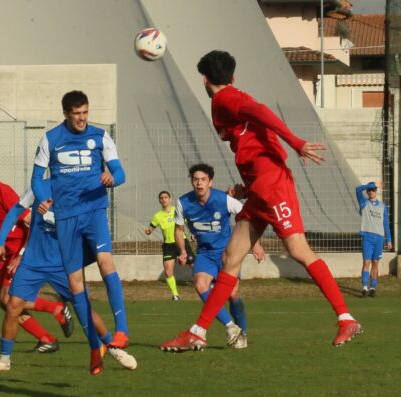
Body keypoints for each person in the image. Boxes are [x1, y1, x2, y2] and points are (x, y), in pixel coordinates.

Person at [160, 50, 362, 352]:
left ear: (205, 79)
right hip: (260, 188)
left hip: (273, 186)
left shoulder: (224, 99)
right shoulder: (229, 98)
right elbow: (254, 133)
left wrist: (295, 143)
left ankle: (346, 317)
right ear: (232, 75)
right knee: (230, 259)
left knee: (298, 249)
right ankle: (198, 332)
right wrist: (249, 186)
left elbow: (261, 111)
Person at [0, 181, 137, 373]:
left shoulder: (78, 190)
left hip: (62, 263)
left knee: (85, 309)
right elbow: (15, 212)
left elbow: (86, 225)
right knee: (12, 305)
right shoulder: (38, 187)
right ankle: (4, 360)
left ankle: (113, 349)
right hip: (33, 262)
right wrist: (3, 243)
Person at [32, 90, 129, 374]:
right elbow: (37, 179)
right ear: (66, 114)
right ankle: (93, 348)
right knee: (76, 285)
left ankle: (122, 329)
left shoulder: (100, 137)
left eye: (85, 112)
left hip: (94, 212)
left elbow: (120, 173)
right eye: (77, 114)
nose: (82, 119)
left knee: (105, 261)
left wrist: (112, 178)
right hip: (65, 218)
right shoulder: (50, 139)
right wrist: (44, 199)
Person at [0, 156, 71, 353]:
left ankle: (56, 310)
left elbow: (33, 223)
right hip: (4, 255)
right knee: (5, 304)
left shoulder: (5, 193)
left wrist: (21, 254)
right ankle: (47, 338)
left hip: (18, 252)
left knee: (8, 301)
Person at [172, 164, 265, 350]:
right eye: (195, 179)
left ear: (210, 182)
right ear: (192, 181)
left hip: (227, 253)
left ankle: (242, 333)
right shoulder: (183, 202)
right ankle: (231, 327)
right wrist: (182, 250)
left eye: (203, 179)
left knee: (232, 294)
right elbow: (178, 229)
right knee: (200, 284)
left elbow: (248, 217)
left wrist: (255, 244)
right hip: (205, 253)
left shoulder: (224, 200)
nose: (199, 183)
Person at [145, 190, 195, 300]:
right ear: (159, 201)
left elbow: (189, 223)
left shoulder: (177, 211)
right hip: (168, 246)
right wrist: (148, 231)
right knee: (168, 271)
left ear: (170, 199)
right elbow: (151, 228)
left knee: (193, 265)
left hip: (182, 242)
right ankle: (175, 295)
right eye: (161, 198)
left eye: (165, 197)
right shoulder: (157, 216)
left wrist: (193, 233)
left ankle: (205, 284)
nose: (163, 199)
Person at [356, 181, 392, 298]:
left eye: (373, 190)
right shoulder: (364, 203)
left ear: (376, 192)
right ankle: (364, 287)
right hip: (367, 237)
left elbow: (385, 223)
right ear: (367, 192)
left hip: (379, 238)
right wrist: (371, 185)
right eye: (370, 190)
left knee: (375, 263)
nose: (371, 192)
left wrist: (389, 239)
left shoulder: (382, 206)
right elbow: (357, 189)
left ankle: (373, 288)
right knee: (366, 262)